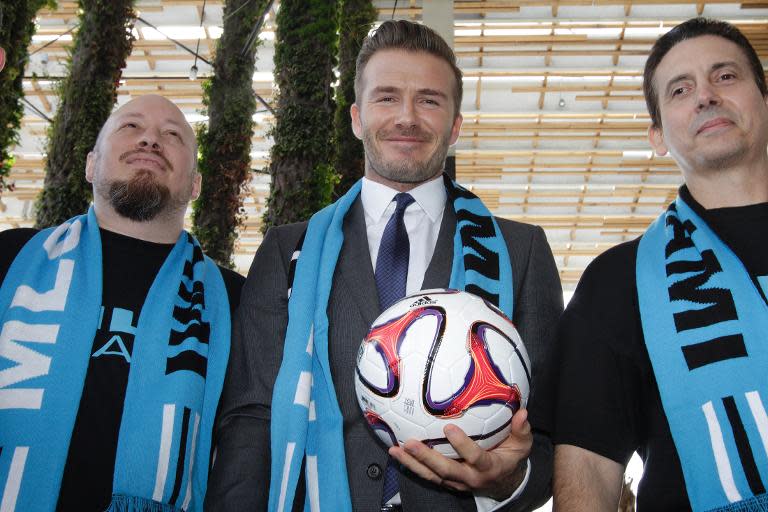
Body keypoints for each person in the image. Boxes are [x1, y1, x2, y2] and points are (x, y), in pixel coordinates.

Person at [206, 20, 562, 512]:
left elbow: (547, 435)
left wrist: (506, 479)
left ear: (455, 126)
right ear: (356, 117)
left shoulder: (520, 251)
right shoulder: (289, 250)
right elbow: (251, 417)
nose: (407, 118)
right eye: (387, 97)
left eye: (430, 101)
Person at [539, 17, 768, 511]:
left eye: (725, 76)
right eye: (680, 90)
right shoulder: (618, 280)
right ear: (658, 136)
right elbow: (589, 468)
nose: (706, 96)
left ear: (764, 101)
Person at [0, 94, 244, 511]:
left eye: (172, 135)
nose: (150, 139)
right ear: (91, 164)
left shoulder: (235, 300)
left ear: (195, 184)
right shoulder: (11, 258)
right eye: (131, 126)